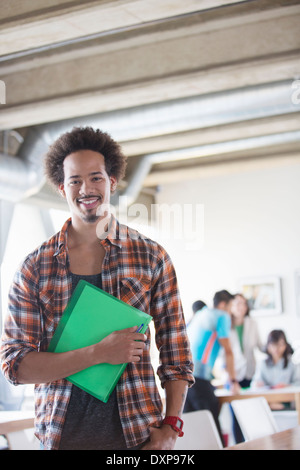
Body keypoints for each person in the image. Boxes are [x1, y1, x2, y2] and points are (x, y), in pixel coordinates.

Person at [0, 126, 194, 451]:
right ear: (62, 188)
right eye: (75, 180)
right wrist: (98, 353)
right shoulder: (34, 268)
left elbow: (176, 355)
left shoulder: (151, 257)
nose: (85, 189)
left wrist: (171, 426)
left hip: (138, 438)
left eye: (95, 178)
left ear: (112, 182)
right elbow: (15, 365)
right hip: (61, 438)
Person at [184, 290, 240, 444]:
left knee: (190, 429)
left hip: (183, 377)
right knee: (212, 429)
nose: (230, 312)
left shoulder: (201, 313)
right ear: (223, 305)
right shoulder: (222, 316)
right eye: (230, 307)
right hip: (198, 378)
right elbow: (228, 352)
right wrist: (233, 381)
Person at [251, 330, 300, 398]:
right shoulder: (263, 364)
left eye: (280, 345)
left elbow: (298, 383)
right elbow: (255, 383)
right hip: (269, 398)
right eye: (273, 345)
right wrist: (258, 384)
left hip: (287, 399)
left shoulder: (292, 363)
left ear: (285, 345)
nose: (276, 348)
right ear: (268, 346)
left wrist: (287, 386)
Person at [229, 293, 263, 388]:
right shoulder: (225, 324)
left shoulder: (252, 323)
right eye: (238, 303)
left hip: (250, 371)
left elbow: (260, 346)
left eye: (244, 304)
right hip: (233, 374)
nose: (242, 307)